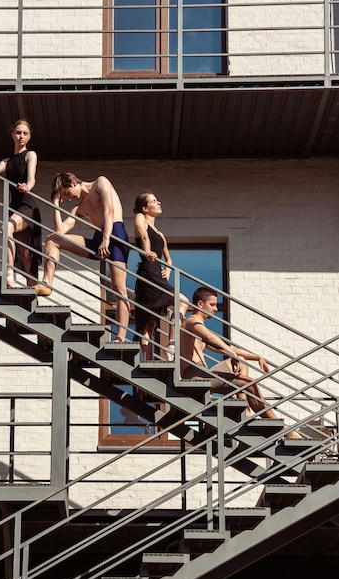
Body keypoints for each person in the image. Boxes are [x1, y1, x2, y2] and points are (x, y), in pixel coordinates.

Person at [180, 286, 301, 439]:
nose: (215, 309)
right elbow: (212, 339)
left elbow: (228, 348)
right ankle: (282, 428)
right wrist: (231, 353)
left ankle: (245, 406)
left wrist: (256, 357)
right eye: (212, 304)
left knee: (241, 361)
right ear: (200, 304)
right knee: (248, 383)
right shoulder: (192, 321)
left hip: (204, 374)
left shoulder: (198, 330)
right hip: (194, 377)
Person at [34, 172, 130, 343]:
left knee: (118, 288)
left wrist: (106, 239)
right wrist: (56, 203)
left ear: (72, 183)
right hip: (99, 238)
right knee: (53, 240)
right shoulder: (80, 208)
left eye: (66, 194)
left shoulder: (100, 182)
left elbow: (109, 210)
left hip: (115, 233)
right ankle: (46, 284)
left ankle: (120, 337)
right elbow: (60, 230)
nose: (69, 199)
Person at [0, 119, 42, 288]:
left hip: (28, 205)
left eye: (25, 133)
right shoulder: (6, 161)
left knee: (6, 229)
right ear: (12, 134)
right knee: (24, 253)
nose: (21, 136)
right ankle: (31, 289)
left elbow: (31, 179)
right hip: (14, 206)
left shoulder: (30, 155)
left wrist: (27, 186)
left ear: (29, 137)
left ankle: (9, 276)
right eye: (18, 132)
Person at [133, 193, 189, 361]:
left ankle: (171, 343)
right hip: (148, 273)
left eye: (157, 200)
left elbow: (169, 259)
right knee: (148, 323)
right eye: (154, 201)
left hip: (158, 274)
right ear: (145, 208)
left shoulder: (160, 234)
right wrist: (147, 250)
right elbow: (143, 236)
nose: (159, 202)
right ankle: (151, 359)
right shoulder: (139, 217)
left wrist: (168, 270)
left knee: (156, 320)